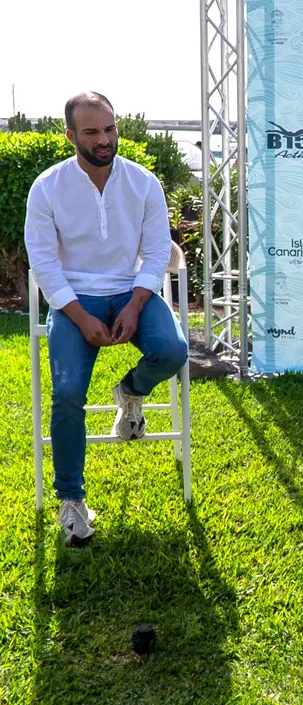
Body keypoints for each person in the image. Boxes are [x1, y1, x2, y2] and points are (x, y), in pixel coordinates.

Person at [24, 92, 188, 546]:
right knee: (68, 393)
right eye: (92, 131)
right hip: (74, 299)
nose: (104, 139)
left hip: (131, 290)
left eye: (110, 128)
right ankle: (72, 500)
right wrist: (76, 315)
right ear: (70, 135)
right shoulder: (47, 186)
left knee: (173, 350)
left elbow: (157, 252)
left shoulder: (143, 182)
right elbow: (43, 262)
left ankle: (129, 391)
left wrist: (136, 304)